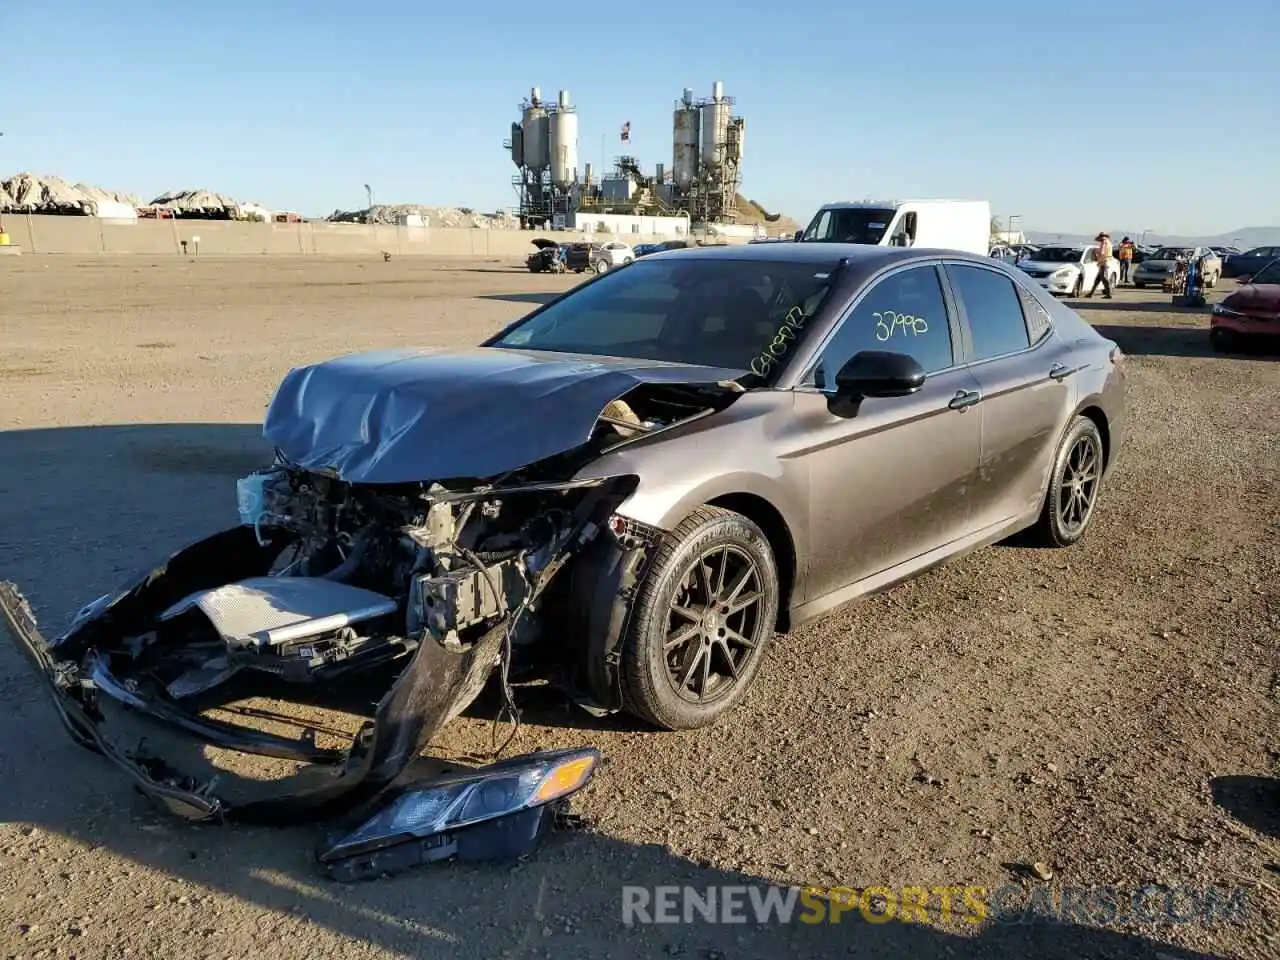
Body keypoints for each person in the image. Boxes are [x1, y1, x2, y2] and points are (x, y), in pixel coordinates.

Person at [1086, 232, 1114, 298]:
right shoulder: (1108, 242)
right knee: (1097, 279)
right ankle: (1091, 293)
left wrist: (1096, 254)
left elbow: (1102, 252)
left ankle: (1109, 294)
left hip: (1104, 262)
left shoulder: (1104, 242)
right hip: (1106, 261)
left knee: (1104, 278)